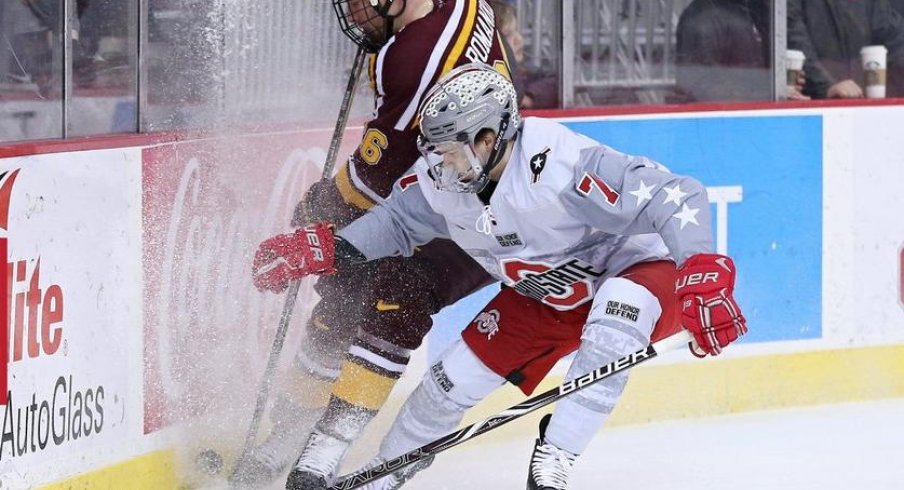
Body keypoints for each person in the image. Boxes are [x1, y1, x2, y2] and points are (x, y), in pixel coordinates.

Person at [252, 63, 747, 490]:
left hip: (635, 271)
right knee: (447, 385)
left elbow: (676, 195)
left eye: (450, 151)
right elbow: (400, 222)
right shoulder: (450, 182)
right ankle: (386, 472)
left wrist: (700, 267)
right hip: (548, 291)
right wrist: (332, 247)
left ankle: (557, 454)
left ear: (489, 138)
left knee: (619, 314)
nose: (439, 165)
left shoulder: (561, 166)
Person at [232, 0, 512, 487]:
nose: (356, 8)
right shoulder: (457, 8)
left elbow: (374, 177)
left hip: (485, 212)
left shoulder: (415, 55)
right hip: (429, 190)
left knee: (398, 294)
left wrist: (326, 205)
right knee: (344, 288)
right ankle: (291, 429)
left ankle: (328, 443)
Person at [676, 0, 808, 101]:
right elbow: (702, 86)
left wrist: (782, 79)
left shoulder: (759, 10)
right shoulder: (701, 17)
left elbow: (753, 72)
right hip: (722, 127)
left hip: (754, 121)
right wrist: (771, 92)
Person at [788, 0, 904, 98]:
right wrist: (826, 87)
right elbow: (795, 43)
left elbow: (896, 39)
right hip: (811, 108)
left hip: (863, 105)